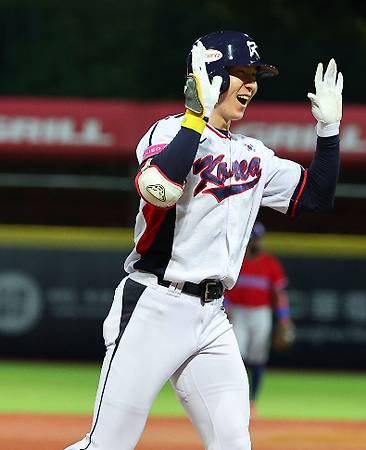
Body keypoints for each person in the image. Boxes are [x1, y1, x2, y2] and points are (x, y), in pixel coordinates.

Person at [65, 30, 342, 450]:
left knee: (233, 442)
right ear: (210, 73)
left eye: (255, 76)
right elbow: (159, 186)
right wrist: (196, 115)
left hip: (212, 316)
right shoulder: (169, 131)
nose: (251, 85)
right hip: (155, 305)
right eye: (241, 73)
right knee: (107, 444)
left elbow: (317, 197)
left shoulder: (255, 153)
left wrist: (328, 130)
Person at [225, 221, 294, 414]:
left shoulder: (270, 263)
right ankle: (236, 397)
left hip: (261, 313)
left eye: (258, 239)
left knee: (258, 357)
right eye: (253, 238)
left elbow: (279, 294)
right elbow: (223, 292)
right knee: (237, 356)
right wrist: (226, 308)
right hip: (238, 312)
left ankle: (252, 400)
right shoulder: (235, 261)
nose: (256, 242)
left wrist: (284, 319)